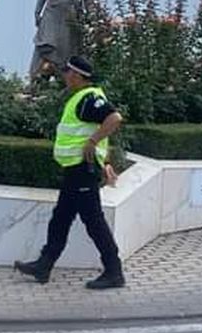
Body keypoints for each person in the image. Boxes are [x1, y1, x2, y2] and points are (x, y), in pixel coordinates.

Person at [15, 55, 126, 290]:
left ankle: (114, 271)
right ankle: (44, 265)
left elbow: (114, 118)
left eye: (67, 72)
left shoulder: (89, 98)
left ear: (76, 75)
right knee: (61, 218)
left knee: (93, 221)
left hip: (82, 169)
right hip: (75, 169)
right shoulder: (81, 97)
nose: (64, 76)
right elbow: (97, 127)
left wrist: (93, 142)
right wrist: (105, 160)